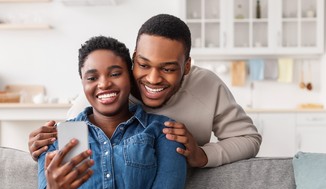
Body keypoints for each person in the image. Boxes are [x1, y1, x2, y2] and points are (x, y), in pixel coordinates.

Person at [0, 36, 190, 189]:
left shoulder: (163, 131)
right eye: (92, 77)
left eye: (115, 74)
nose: (104, 83)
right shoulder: (61, 137)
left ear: (131, 77)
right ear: (83, 83)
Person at [28, 14, 262, 168]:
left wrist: (202, 155)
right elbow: (72, 143)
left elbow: (248, 138)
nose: (152, 79)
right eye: (143, 65)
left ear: (187, 66)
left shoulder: (207, 86)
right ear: (133, 59)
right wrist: (45, 146)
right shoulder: (111, 89)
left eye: (168, 68)